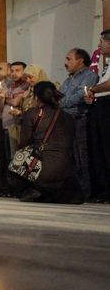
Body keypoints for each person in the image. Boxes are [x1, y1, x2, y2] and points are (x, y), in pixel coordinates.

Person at [9, 82, 82, 203]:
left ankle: (31, 190)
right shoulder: (68, 116)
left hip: (43, 169)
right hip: (65, 169)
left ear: (36, 97)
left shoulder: (33, 113)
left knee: (14, 167)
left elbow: (24, 144)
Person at [59, 48, 98, 200]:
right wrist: (63, 102)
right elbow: (59, 98)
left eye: (69, 59)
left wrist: (63, 102)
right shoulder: (69, 79)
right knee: (70, 157)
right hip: (67, 121)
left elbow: (81, 96)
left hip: (80, 120)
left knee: (82, 156)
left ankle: (85, 191)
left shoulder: (90, 76)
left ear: (80, 60)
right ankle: (73, 189)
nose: (65, 63)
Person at [85, 29, 110, 202]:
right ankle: (103, 190)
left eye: (102, 41)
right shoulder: (106, 64)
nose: (99, 45)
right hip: (100, 105)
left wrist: (93, 89)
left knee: (107, 149)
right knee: (99, 150)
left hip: (108, 105)